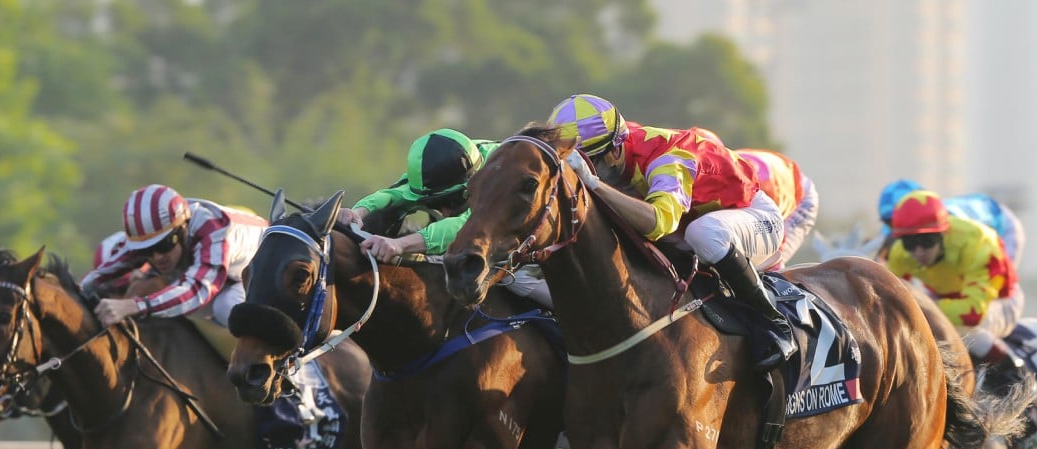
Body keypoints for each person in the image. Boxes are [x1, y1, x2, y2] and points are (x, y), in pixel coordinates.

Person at [546, 93, 793, 370]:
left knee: (703, 233)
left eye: (589, 164)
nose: (582, 174)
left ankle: (773, 324)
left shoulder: (666, 160)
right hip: (689, 222)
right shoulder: (613, 143)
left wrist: (594, 184)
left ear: (615, 151)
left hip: (755, 217)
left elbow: (658, 223)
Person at [335, 128, 552, 307]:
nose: (445, 212)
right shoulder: (440, 172)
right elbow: (393, 194)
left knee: (515, 280)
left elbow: (465, 223)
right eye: (435, 205)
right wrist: (358, 211)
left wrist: (400, 244)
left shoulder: (496, 173)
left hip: (547, 232)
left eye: (451, 201)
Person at [82, 184, 267, 328]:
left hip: (263, 270)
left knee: (226, 305)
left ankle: (292, 370)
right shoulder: (156, 230)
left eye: (164, 245)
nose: (156, 257)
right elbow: (102, 272)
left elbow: (196, 292)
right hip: (226, 276)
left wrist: (133, 306)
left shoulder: (212, 230)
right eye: (146, 251)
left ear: (182, 228)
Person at [887, 189, 1025, 376]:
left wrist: (922, 310)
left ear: (943, 233)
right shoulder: (900, 253)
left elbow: (972, 313)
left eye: (927, 241)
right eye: (910, 243)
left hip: (998, 302)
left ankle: (1017, 375)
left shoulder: (979, 244)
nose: (919, 251)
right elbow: (889, 301)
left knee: (960, 329)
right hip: (947, 298)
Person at [877, 179, 1025, 268]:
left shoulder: (954, 221)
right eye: (889, 222)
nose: (893, 227)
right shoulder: (894, 229)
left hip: (1003, 227)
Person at [738, 149, 820, 269]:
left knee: (767, 262)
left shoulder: (756, 188)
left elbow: (776, 233)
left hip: (800, 197)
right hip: (776, 176)